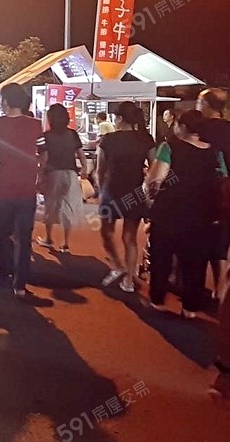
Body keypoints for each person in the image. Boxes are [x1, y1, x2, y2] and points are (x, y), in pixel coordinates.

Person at [145, 110, 223, 319]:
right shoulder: (215, 152)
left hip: (169, 213)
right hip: (202, 215)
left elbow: (155, 180)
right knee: (196, 262)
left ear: (184, 127)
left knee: (162, 257)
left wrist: (151, 194)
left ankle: (158, 301)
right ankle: (191, 308)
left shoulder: (170, 147)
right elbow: (222, 179)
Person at [0, 84, 43, 297]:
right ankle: (20, 284)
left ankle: (3, 274)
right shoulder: (36, 124)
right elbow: (43, 153)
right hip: (27, 189)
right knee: (24, 237)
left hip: (1, 189)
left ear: (6, 101)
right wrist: (39, 175)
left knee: (2, 235)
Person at [96, 102, 155, 293]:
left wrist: (101, 190)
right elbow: (154, 168)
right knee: (129, 238)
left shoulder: (108, 139)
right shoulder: (145, 139)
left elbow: (100, 169)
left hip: (111, 190)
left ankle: (117, 265)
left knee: (106, 231)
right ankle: (128, 280)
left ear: (120, 118)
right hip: (135, 192)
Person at [36, 103, 88, 253]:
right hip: (71, 173)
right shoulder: (73, 134)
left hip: (52, 173)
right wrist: (84, 168)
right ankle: (65, 242)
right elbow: (80, 154)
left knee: (51, 205)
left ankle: (48, 238)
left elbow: (44, 158)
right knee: (68, 206)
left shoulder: (45, 136)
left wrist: (40, 176)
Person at [195, 88, 230, 302]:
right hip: (226, 193)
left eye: (199, 102)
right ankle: (220, 289)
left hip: (200, 191)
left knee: (197, 240)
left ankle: (193, 290)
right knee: (222, 240)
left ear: (206, 105)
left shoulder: (198, 128)